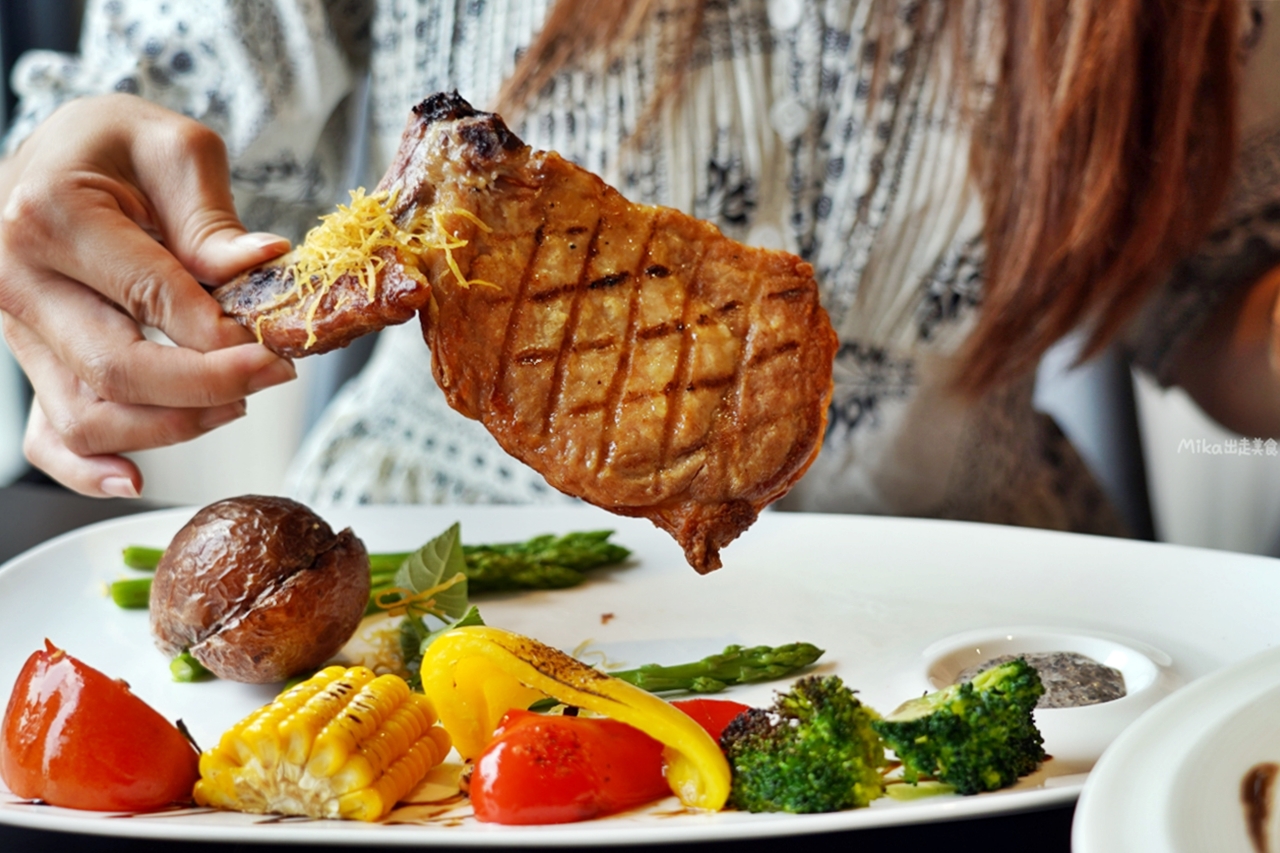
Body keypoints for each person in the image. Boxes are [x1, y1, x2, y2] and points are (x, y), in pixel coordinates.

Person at [0, 0, 1277, 536]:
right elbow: (161, 115)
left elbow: (1220, 289)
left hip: (974, 609)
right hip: (441, 575)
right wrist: (74, 183)